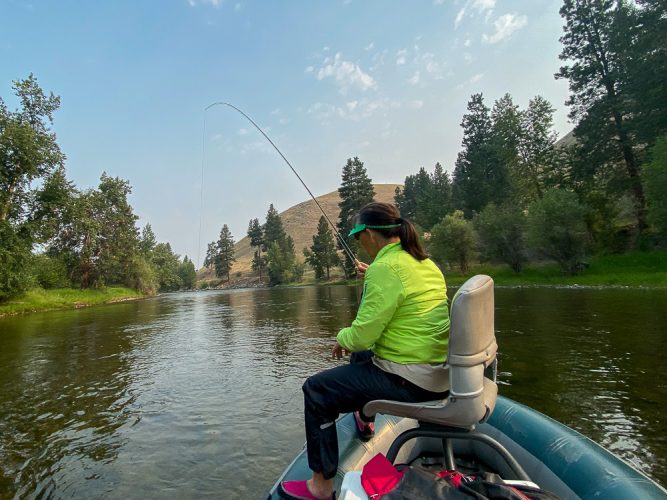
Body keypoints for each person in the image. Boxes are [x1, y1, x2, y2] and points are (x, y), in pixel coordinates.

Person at [278, 202, 450, 500]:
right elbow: (399, 290)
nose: (357, 242)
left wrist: (341, 337)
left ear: (369, 233)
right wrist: (374, 274)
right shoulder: (423, 262)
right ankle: (365, 421)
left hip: (412, 382)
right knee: (364, 355)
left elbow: (360, 336)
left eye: (357, 235)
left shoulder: (386, 269)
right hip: (438, 374)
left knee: (317, 390)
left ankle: (320, 486)